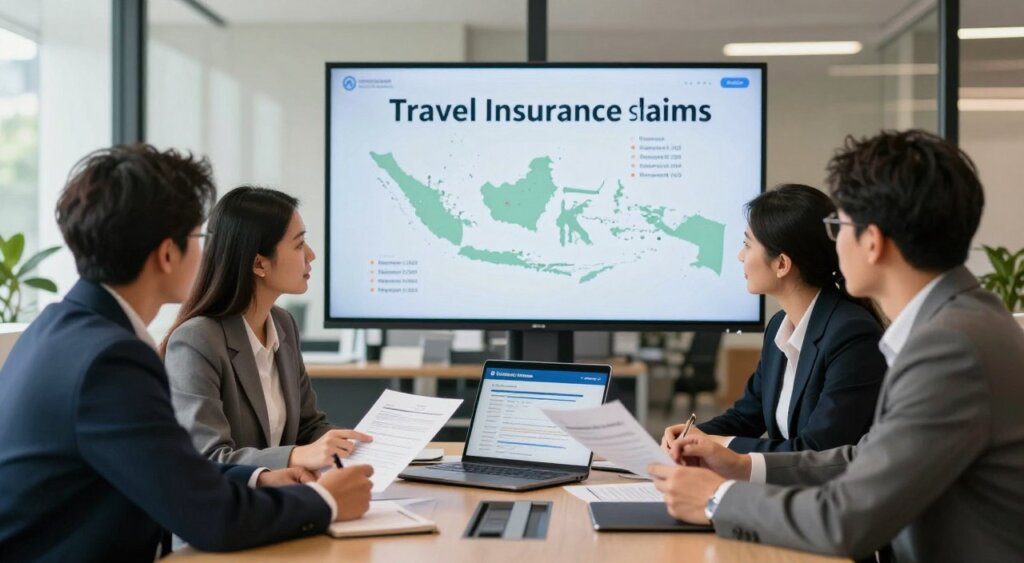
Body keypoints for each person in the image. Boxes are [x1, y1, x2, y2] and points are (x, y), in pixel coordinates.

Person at [649, 130, 1024, 562]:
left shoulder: (949, 347)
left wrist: (718, 500)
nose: (833, 242)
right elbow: (863, 459)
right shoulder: (960, 322)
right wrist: (739, 466)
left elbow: (845, 519)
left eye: (838, 226)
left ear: (872, 240)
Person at [0, 145, 374, 561]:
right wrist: (326, 502)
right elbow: (211, 519)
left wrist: (257, 479)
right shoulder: (110, 359)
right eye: (198, 236)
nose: (207, 251)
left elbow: (167, 472)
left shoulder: (58, 329)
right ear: (166, 254)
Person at [662, 184, 887, 453]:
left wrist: (718, 444)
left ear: (782, 264)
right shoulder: (780, 327)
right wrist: (691, 435)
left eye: (747, 244)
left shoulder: (852, 334)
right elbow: (746, 417)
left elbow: (817, 450)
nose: (740, 256)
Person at [162, 186, 369, 470]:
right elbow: (208, 458)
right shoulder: (196, 340)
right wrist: (295, 457)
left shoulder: (283, 324)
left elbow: (308, 427)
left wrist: (362, 446)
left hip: (283, 498)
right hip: (232, 507)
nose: (311, 255)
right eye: (298, 245)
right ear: (259, 263)